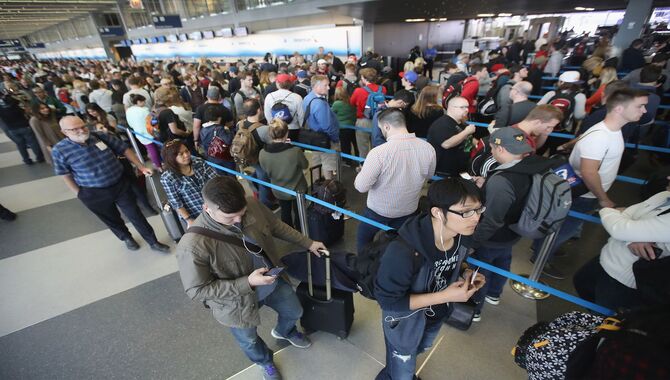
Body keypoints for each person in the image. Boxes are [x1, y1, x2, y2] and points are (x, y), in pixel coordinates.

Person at [175, 176, 327, 380]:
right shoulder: (192, 246)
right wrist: (247, 283)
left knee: (294, 310)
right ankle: (264, 362)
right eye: (230, 217)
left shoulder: (252, 204)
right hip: (235, 303)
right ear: (207, 208)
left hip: (271, 282)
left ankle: (285, 331)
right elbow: (198, 290)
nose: (239, 220)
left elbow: (276, 226)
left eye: (242, 213)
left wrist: (307, 242)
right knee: (249, 340)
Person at [374, 177, 485, 380]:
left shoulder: (462, 233)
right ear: (437, 212)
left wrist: (466, 271)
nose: (475, 218)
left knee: (418, 350)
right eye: (466, 211)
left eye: (479, 210)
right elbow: (388, 301)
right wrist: (444, 296)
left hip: (436, 316)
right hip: (405, 322)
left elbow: (454, 262)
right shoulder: (403, 251)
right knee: (403, 366)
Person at [532, 89, 649, 279]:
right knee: (563, 230)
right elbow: (588, 171)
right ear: (619, 108)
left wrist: (568, 146)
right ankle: (541, 257)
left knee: (561, 228)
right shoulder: (601, 136)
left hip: (585, 192)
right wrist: (603, 199)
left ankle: (544, 248)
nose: (644, 111)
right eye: (639, 106)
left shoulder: (606, 130)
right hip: (583, 194)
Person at [467, 128, 557, 320]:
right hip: (515, 230)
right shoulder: (531, 166)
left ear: (500, 149)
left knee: (481, 269)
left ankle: (475, 308)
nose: (491, 152)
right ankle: (494, 294)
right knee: (503, 261)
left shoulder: (502, 181)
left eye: (492, 148)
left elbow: (491, 220)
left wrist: (472, 243)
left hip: (493, 236)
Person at [51, 116, 170, 252]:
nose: (81, 130)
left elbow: (124, 149)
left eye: (83, 126)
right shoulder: (59, 151)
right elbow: (64, 174)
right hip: (93, 192)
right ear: (64, 132)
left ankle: (153, 241)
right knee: (112, 219)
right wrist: (79, 194)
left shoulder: (100, 136)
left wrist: (141, 167)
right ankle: (126, 237)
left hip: (119, 184)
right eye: (74, 129)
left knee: (135, 214)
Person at [573, 176, 669, 310]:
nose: (668, 177)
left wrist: (607, 210)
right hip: (606, 258)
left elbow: (619, 228)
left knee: (603, 318)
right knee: (581, 283)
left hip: (625, 281)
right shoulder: (664, 196)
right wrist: (630, 237)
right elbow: (627, 215)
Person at [354, 108, 436, 253]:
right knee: (402, 247)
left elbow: (361, 187)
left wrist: (363, 173)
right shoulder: (428, 148)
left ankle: (363, 268)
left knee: (363, 239)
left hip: (377, 211)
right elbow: (429, 176)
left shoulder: (378, 153)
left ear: (386, 126)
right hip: (409, 210)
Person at [259, 119, 309, 228]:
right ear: (287, 133)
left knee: (285, 212)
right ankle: (301, 231)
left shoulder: (262, 153)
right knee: (299, 213)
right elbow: (305, 165)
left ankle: (290, 232)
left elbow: (265, 170)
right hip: (298, 189)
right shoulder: (295, 151)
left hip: (278, 190)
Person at [160, 140, 218, 229]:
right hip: (195, 214)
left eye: (186, 151)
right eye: (181, 154)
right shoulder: (167, 177)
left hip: (214, 206)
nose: (186, 155)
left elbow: (216, 180)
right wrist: (189, 220)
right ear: (171, 157)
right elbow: (176, 203)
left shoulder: (199, 162)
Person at [303, 74, 341, 179]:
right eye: (326, 85)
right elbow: (327, 126)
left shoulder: (307, 98)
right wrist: (335, 139)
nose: (328, 88)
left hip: (314, 138)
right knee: (328, 166)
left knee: (316, 163)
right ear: (317, 86)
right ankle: (329, 189)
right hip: (326, 139)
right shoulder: (320, 104)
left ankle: (317, 186)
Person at [427, 97, 476, 177]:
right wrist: (466, 132)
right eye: (462, 107)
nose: (466, 110)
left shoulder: (463, 124)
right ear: (451, 108)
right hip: (444, 170)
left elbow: (468, 143)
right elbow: (446, 144)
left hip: (461, 168)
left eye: (467, 107)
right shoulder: (442, 124)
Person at [350, 68, 387, 158]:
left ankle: (364, 167)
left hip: (363, 121)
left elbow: (352, 103)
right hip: (379, 120)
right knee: (378, 147)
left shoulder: (358, 91)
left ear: (363, 78)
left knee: (363, 147)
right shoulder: (383, 89)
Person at [0, 93, 45, 165]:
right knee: (32, 142)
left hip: (12, 129)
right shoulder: (16, 106)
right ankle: (39, 157)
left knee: (20, 145)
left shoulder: (1, 109)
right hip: (24, 126)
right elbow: (24, 109)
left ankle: (26, 160)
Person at [193, 86, 234, 152]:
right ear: (219, 97)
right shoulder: (225, 109)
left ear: (207, 96)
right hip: (222, 140)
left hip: (205, 138)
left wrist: (196, 140)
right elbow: (231, 123)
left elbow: (196, 126)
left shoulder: (200, 109)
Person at [126, 94, 161, 169]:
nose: (145, 103)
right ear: (138, 102)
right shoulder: (144, 110)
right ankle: (160, 164)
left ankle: (158, 165)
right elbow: (153, 122)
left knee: (150, 149)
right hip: (150, 133)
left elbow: (130, 124)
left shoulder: (128, 110)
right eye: (143, 102)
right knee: (155, 149)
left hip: (139, 134)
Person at [331, 85, 358, 166]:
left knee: (345, 145)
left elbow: (331, 114)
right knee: (356, 144)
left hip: (343, 128)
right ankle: (359, 160)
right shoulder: (351, 101)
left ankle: (347, 162)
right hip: (354, 126)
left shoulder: (336, 104)